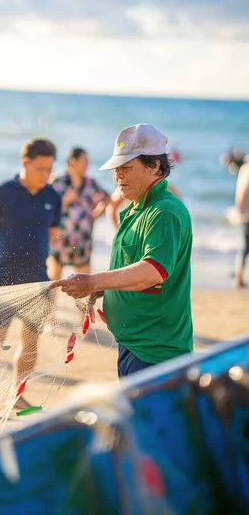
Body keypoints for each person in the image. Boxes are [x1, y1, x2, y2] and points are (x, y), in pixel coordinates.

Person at [50, 124, 193, 378]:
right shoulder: (136, 208)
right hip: (133, 344)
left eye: (126, 168)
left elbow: (151, 272)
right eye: (116, 170)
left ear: (154, 166)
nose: (118, 177)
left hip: (154, 352)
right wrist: (103, 286)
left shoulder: (164, 211)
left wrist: (92, 280)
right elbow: (135, 271)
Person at [0, 138, 61, 415]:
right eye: (40, 169)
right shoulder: (2, 193)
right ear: (24, 163)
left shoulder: (52, 197)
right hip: (3, 279)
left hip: (38, 281)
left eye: (49, 169)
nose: (45, 175)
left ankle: (17, 397)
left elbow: (50, 235)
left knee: (30, 342)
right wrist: (5, 252)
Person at [48, 148, 110, 281]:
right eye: (84, 160)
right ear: (72, 161)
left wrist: (95, 214)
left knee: (83, 282)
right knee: (53, 281)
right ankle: (51, 303)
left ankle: (82, 303)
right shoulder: (57, 182)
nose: (87, 164)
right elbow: (46, 207)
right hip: (59, 239)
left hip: (83, 240)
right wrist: (65, 200)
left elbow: (107, 198)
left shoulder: (90, 184)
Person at [107, 172, 182, 230]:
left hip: (159, 226)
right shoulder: (126, 188)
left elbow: (180, 207)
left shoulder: (166, 187)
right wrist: (117, 232)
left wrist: (184, 228)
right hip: (135, 228)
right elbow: (111, 208)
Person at [234, 161, 249, 289]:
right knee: (246, 247)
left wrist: (239, 209)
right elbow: (244, 191)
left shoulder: (244, 168)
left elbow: (240, 191)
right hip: (247, 214)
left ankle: (239, 276)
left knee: (245, 246)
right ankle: (239, 277)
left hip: (244, 212)